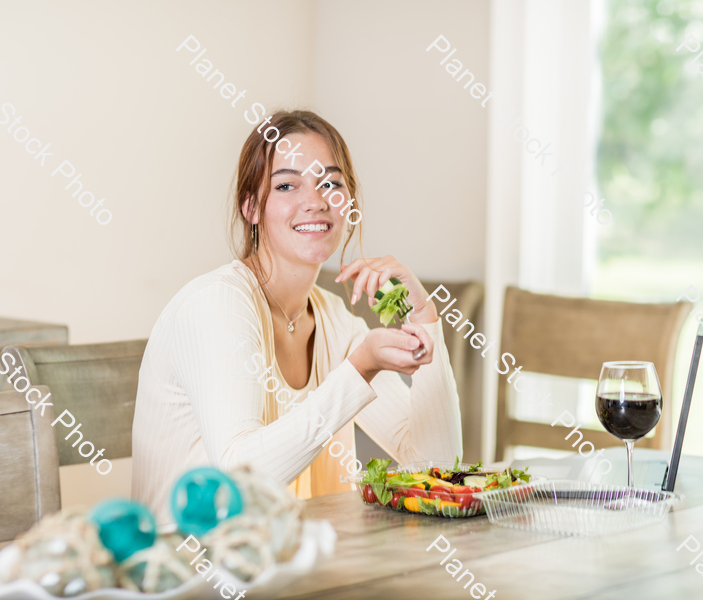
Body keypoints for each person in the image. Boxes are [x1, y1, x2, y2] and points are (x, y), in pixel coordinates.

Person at [131, 110, 462, 527]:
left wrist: (424, 314)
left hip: (300, 572)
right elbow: (240, 478)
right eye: (287, 185)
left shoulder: (335, 319)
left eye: (331, 183)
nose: (316, 201)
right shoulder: (217, 304)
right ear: (251, 207)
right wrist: (359, 368)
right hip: (193, 574)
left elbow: (437, 465)